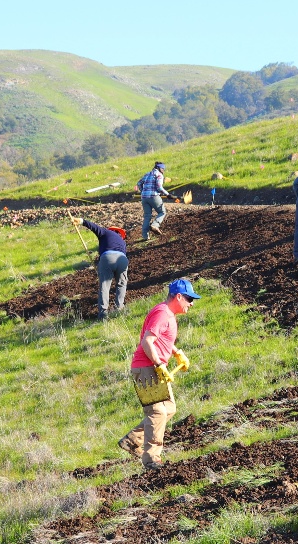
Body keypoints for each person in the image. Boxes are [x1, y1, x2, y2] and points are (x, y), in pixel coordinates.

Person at [118, 278, 201, 470]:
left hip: (155, 368)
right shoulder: (163, 313)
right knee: (157, 411)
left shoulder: (167, 314)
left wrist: (177, 352)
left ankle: (132, 440)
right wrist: (158, 363)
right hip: (147, 368)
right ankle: (151, 459)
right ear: (178, 296)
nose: (191, 303)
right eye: (189, 299)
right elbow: (148, 341)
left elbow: (161, 339)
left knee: (169, 409)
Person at [72, 217, 128, 317]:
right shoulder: (122, 242)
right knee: (122, 284)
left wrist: (81, 221)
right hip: (123, 259)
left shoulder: (106, 232)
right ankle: (119, 308)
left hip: (108, 257)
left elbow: (94, 227)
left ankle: (103, 314)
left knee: (105, 286)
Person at [138, 161, 172, 240]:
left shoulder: (147, 174)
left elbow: (139, 183)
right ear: (160, 168)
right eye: (163, 169)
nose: (163, 170)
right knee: (162, 212)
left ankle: (145, 236)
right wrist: (167, 194)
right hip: (154, 196)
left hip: (144, 198)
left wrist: (143, 191)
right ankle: (155, 225)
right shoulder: (159, 175)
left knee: (147, 216)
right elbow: (159, 187)